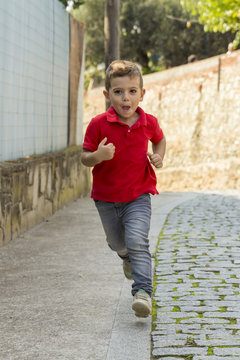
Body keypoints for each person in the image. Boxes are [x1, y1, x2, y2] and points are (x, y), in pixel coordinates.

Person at [81, 60, 166, 318]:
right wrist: (99, 155)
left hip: (139, 194)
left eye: (132, 91)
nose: (125, 98)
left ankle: (142, 293)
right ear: (107, 95)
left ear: (142, 93)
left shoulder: (148, 122)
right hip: (106, 198)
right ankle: (125, 257)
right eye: (118, 92)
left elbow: (160, 140)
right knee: (117, 242)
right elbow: (85, 158)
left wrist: (158, 156)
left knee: (138, 240)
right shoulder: (98, 124)